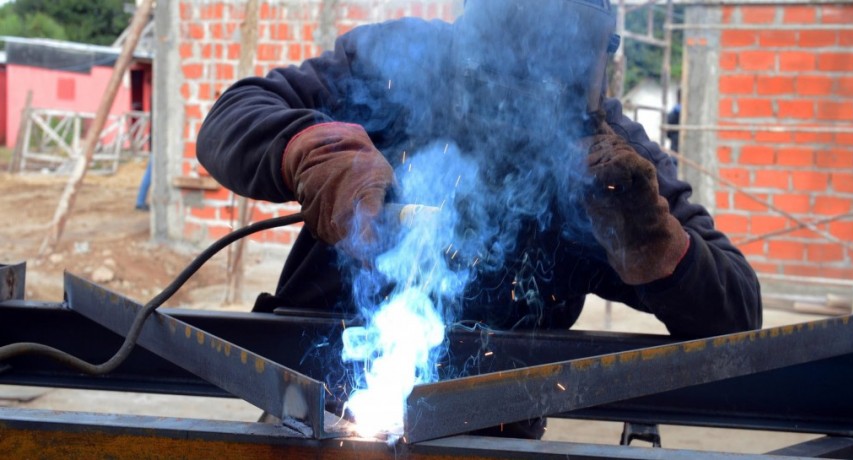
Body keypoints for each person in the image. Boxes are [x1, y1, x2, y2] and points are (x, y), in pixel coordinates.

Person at [197, 0, 761, 415]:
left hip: (489, 428)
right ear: (467, 33)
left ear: (596, 64)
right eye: (495, 73)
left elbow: (738, 313)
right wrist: (317, 154)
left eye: (541, 84)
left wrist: (653, 243)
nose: (511, 102)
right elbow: (233, 115)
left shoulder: (614, 165)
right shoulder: (400, 65)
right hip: (315, 404)